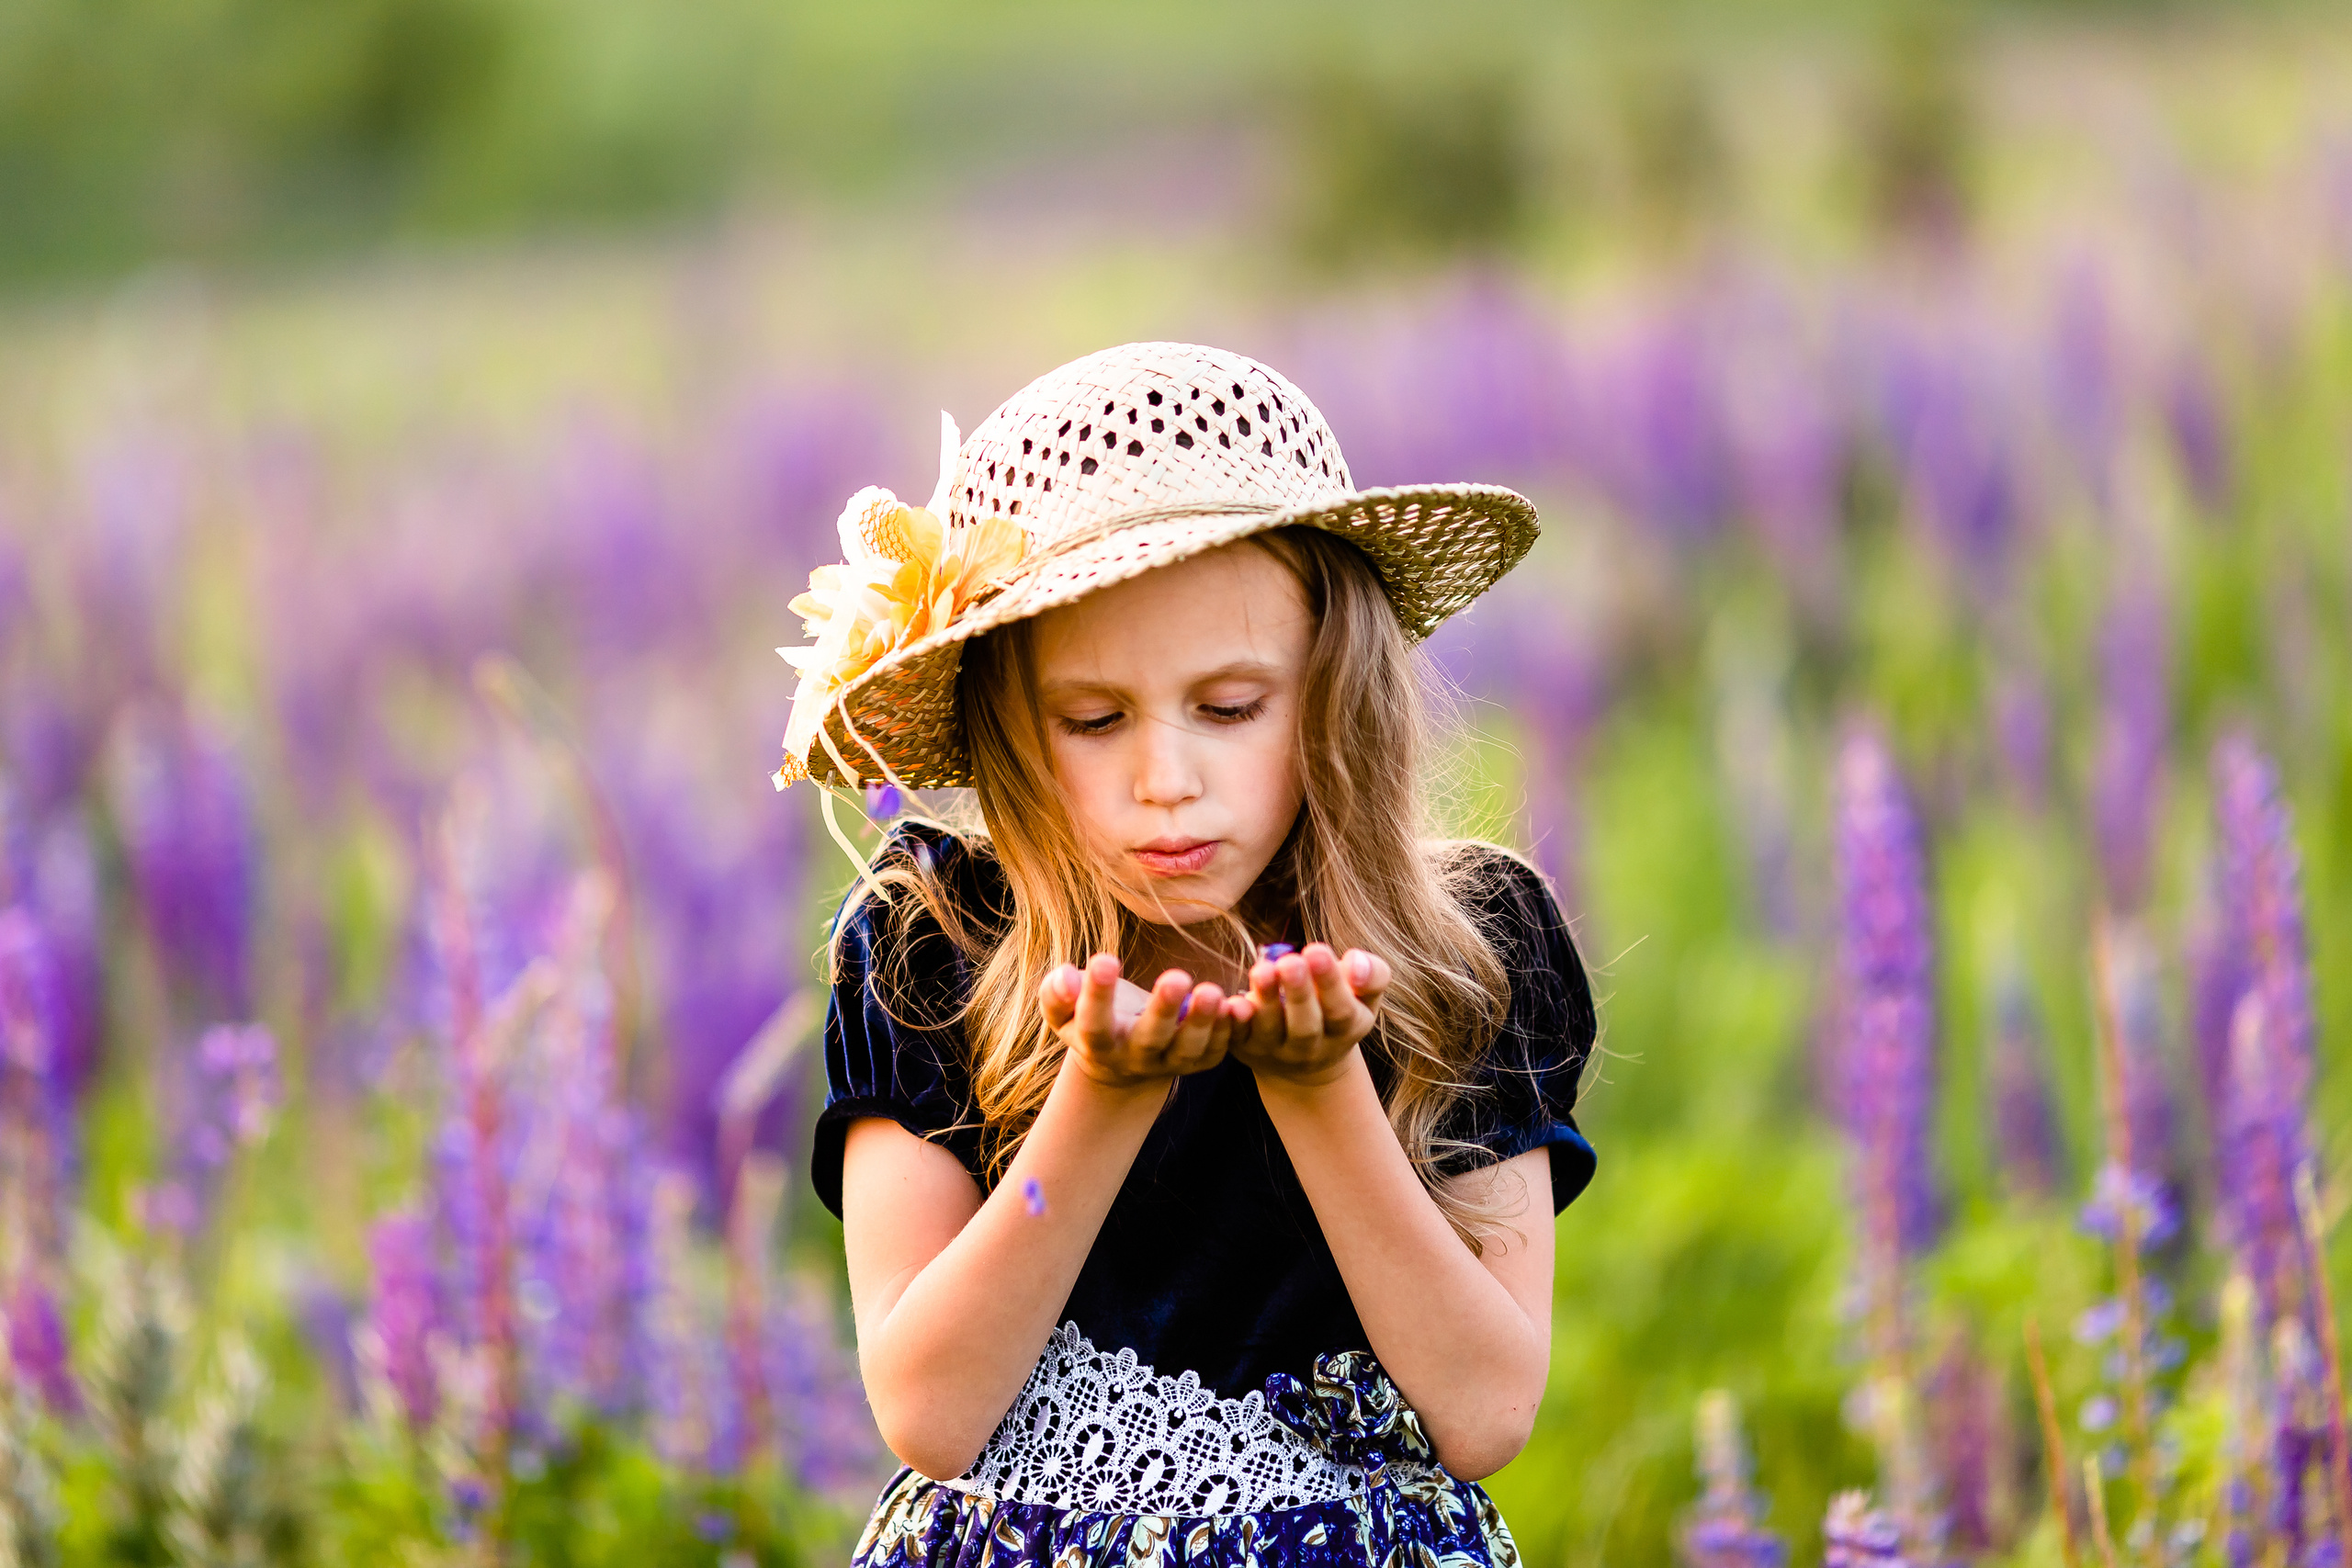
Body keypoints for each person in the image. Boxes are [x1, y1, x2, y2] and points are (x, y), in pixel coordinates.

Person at [774, 342, 1598, 1568]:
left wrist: (1323, 1092)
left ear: (1332, 690)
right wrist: (1102, 1097)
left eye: (1229, 708)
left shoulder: (1465, 947)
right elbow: (929, 1413)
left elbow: (1484, 1413)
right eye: (1095, 721)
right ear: (1010, 729)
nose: (1167, 782)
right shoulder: (930, 943)